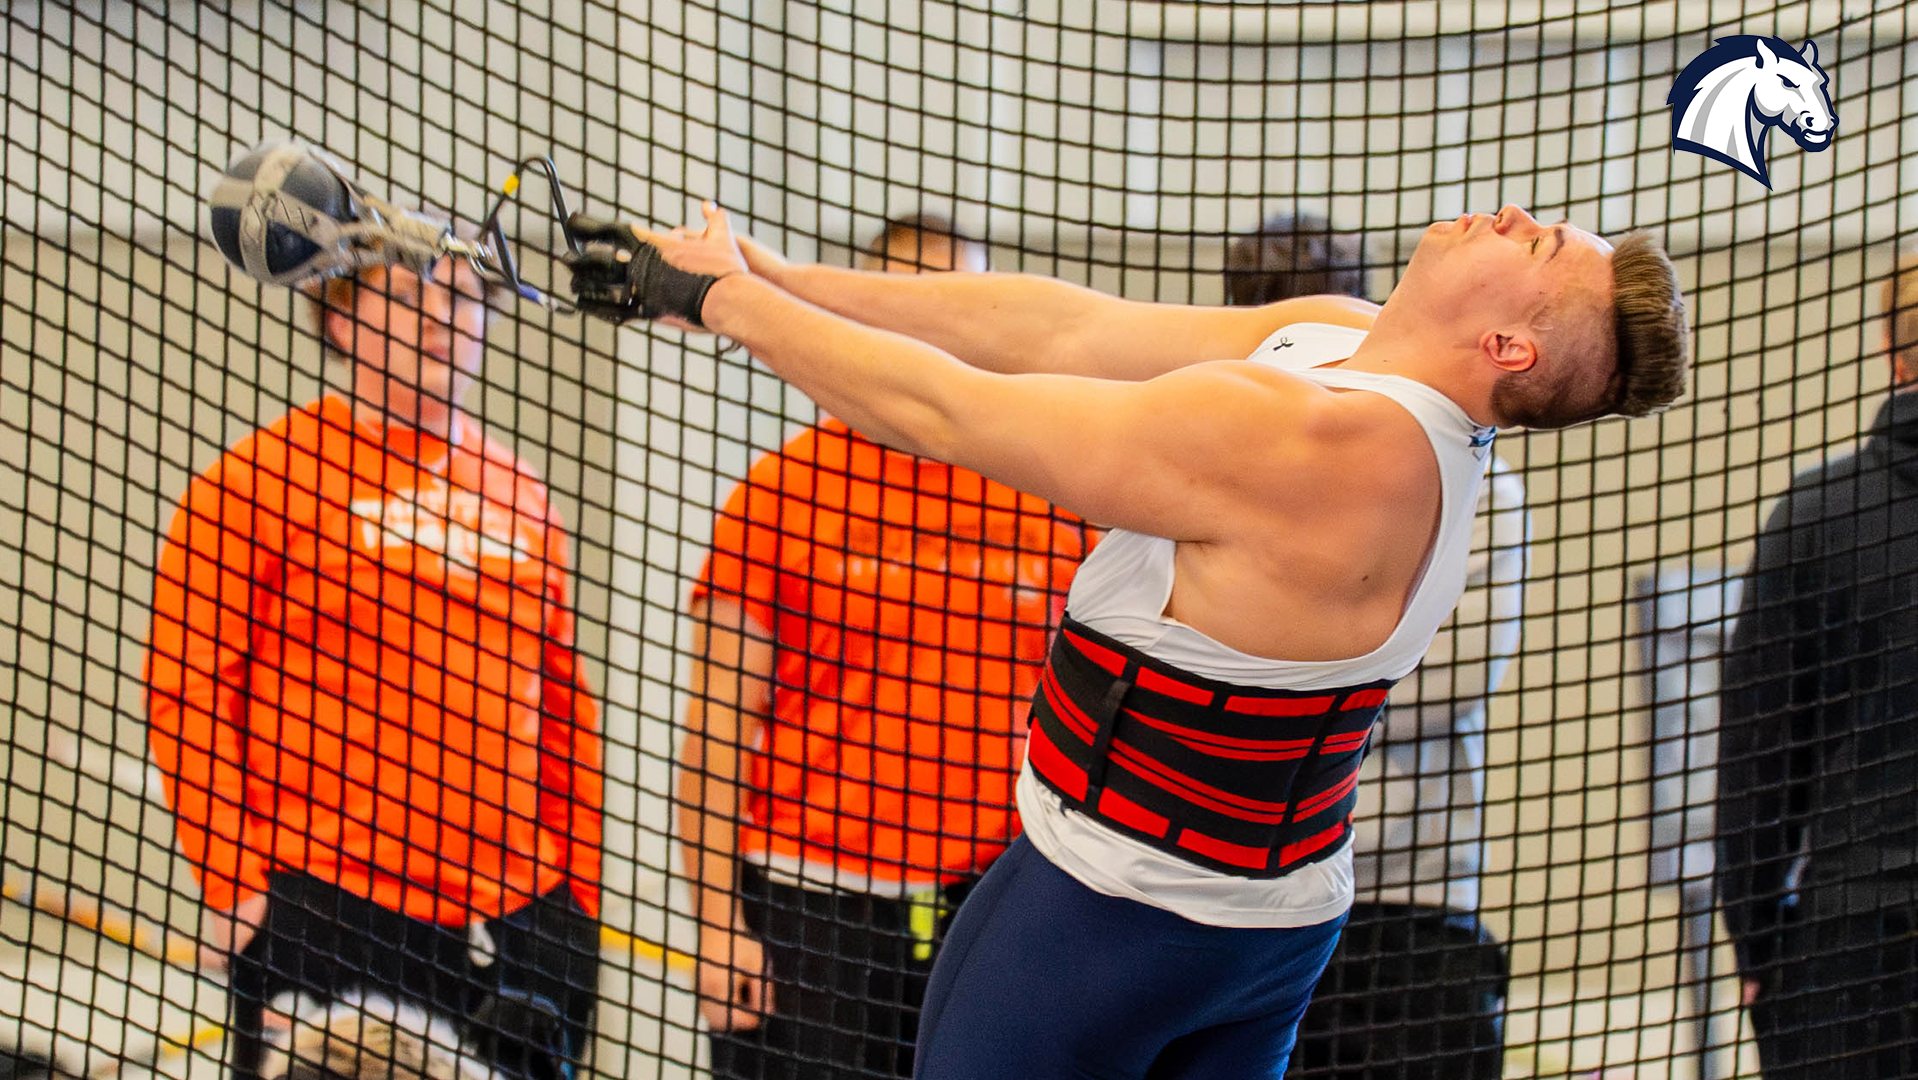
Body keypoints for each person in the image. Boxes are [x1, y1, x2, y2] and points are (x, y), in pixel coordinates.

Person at [580, 200, 1689, 1078]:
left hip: (1118, 919)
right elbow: (1056, 327)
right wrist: (768, 276)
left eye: (1534, 243)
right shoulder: (1347, 349)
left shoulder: (1321, 440)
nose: (1506, 215)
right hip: (1222, 908)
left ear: (1501, 340)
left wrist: (718, 301)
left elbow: (951, 413)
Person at [144, 254, 603, 1080]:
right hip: (329, 906)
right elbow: (187, 688)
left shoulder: (524, 493)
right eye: (403, 296)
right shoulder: (256, 481)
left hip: (515, 916)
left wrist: (579, 900)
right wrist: (235, 886)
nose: (440, 316)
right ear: (340, 320)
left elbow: (566, 705)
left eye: (462, 296)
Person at [676, 215, 1091, 1079]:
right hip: (808, 907)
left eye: (955, 299)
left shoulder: (1055, 486)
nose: (928, 317)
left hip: (993, 915)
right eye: (905, 293)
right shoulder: (778, 494)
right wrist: (717, 924)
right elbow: (715, 727)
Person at [1221, 215, 1531, 1080]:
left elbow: (1457, 678)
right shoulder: (1215, 452)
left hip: (1404, 896)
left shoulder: (1467, 469)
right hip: (1233, 888)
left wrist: (1265, 674)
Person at [1717, 245, 1918, 1080]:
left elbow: (1759, 760)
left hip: (1854, 952)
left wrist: (1760, 941)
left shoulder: (1819, 515)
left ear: (1891, 350)